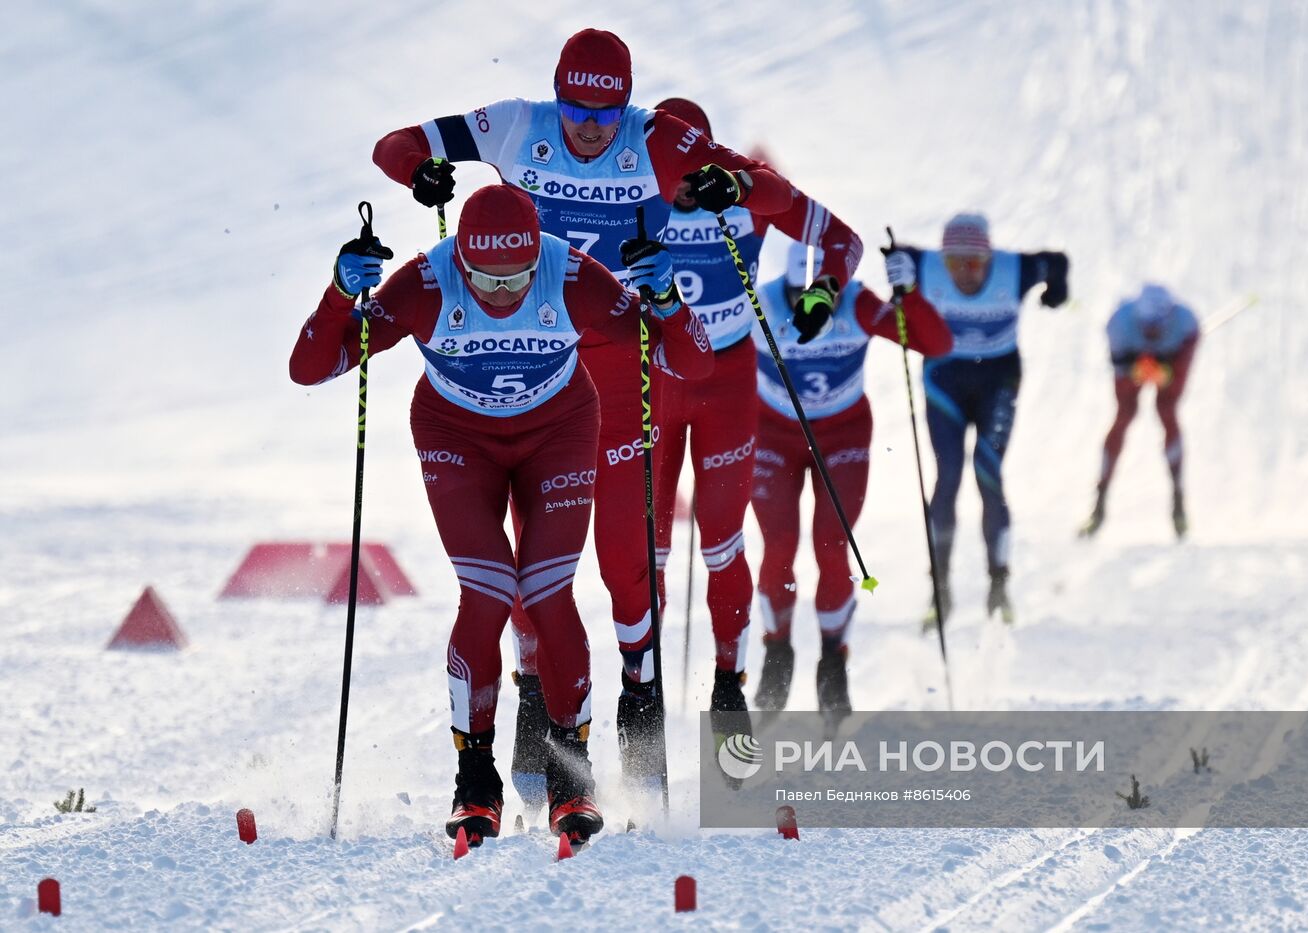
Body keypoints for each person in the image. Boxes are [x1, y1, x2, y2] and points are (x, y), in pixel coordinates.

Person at [371, 29, 794, 804]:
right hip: (543, 376)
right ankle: (539, 712)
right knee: (538, 568)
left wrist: (732, 189)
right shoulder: (516, 125)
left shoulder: (658, 138)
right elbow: (397, 142)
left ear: (626, 103)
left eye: (606, 108)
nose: (590, 125)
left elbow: (758, 183)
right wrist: (418, 170)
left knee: (629, 568)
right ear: (555, 93)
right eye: (576, 105)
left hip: (626, 368)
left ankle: (642, 702)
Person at [287, 184, 712, 846]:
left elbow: (687, 358)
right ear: (461, 261)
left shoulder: (570, 274)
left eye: (517, 276)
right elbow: (309, 368)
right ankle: (474, 781)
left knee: (546, 593)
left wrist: (666, 296)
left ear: (535, 257)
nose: (504, 292)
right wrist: (341, 292)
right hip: (457, 436)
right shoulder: (426, 283)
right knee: (487, 594)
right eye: (485, 278)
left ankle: (572, 778)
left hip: (560, 429)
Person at [646, 96, 864, 752]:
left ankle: (728, 681)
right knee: (646, 544)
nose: (677, 187)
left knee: (723, 542)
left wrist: (824, 294)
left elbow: (840, 240)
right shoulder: (624, 193)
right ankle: (642, 682)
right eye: (663, 171)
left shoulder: (741, 194)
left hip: (726, 386)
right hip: (651, 382)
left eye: (691, 170)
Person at [750, 244, 952, 715]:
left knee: (831, 545)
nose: (816, 306)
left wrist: (910, 293)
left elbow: (936, 344)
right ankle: (777, 649)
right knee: (778, 546)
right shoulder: (761, 303)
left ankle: (832, 661)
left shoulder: (859, 302)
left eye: (826, 294)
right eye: (804, 294)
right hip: (775, 435)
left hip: (842, 434)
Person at [884, 213, 1069, 623]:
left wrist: (1057, 291)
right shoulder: (925, 265)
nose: (965, 273)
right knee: (947, 476)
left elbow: (1057, 262)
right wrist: (895, 272)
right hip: (944, 382)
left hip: (997, 383)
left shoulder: (1014, 268)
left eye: (975, 263)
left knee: (989, 474)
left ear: (990, 257)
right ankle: (940, 589)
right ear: (942, 259)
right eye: (954, 263)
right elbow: (893, 254)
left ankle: (999, 585)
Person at [1080, 284, 1200, 538]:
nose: (1151, 330)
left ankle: (1178, 499)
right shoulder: (1119, 325)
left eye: (1157, 325)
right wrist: (1135, 367)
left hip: (1171, 360)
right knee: (1124, 415)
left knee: (1167, 411)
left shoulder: (1186, 325)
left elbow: (1177, 377)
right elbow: (1119, 367)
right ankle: (1099, 502)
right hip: (1133, 361)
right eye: (1146, 324)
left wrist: (1165, 370)